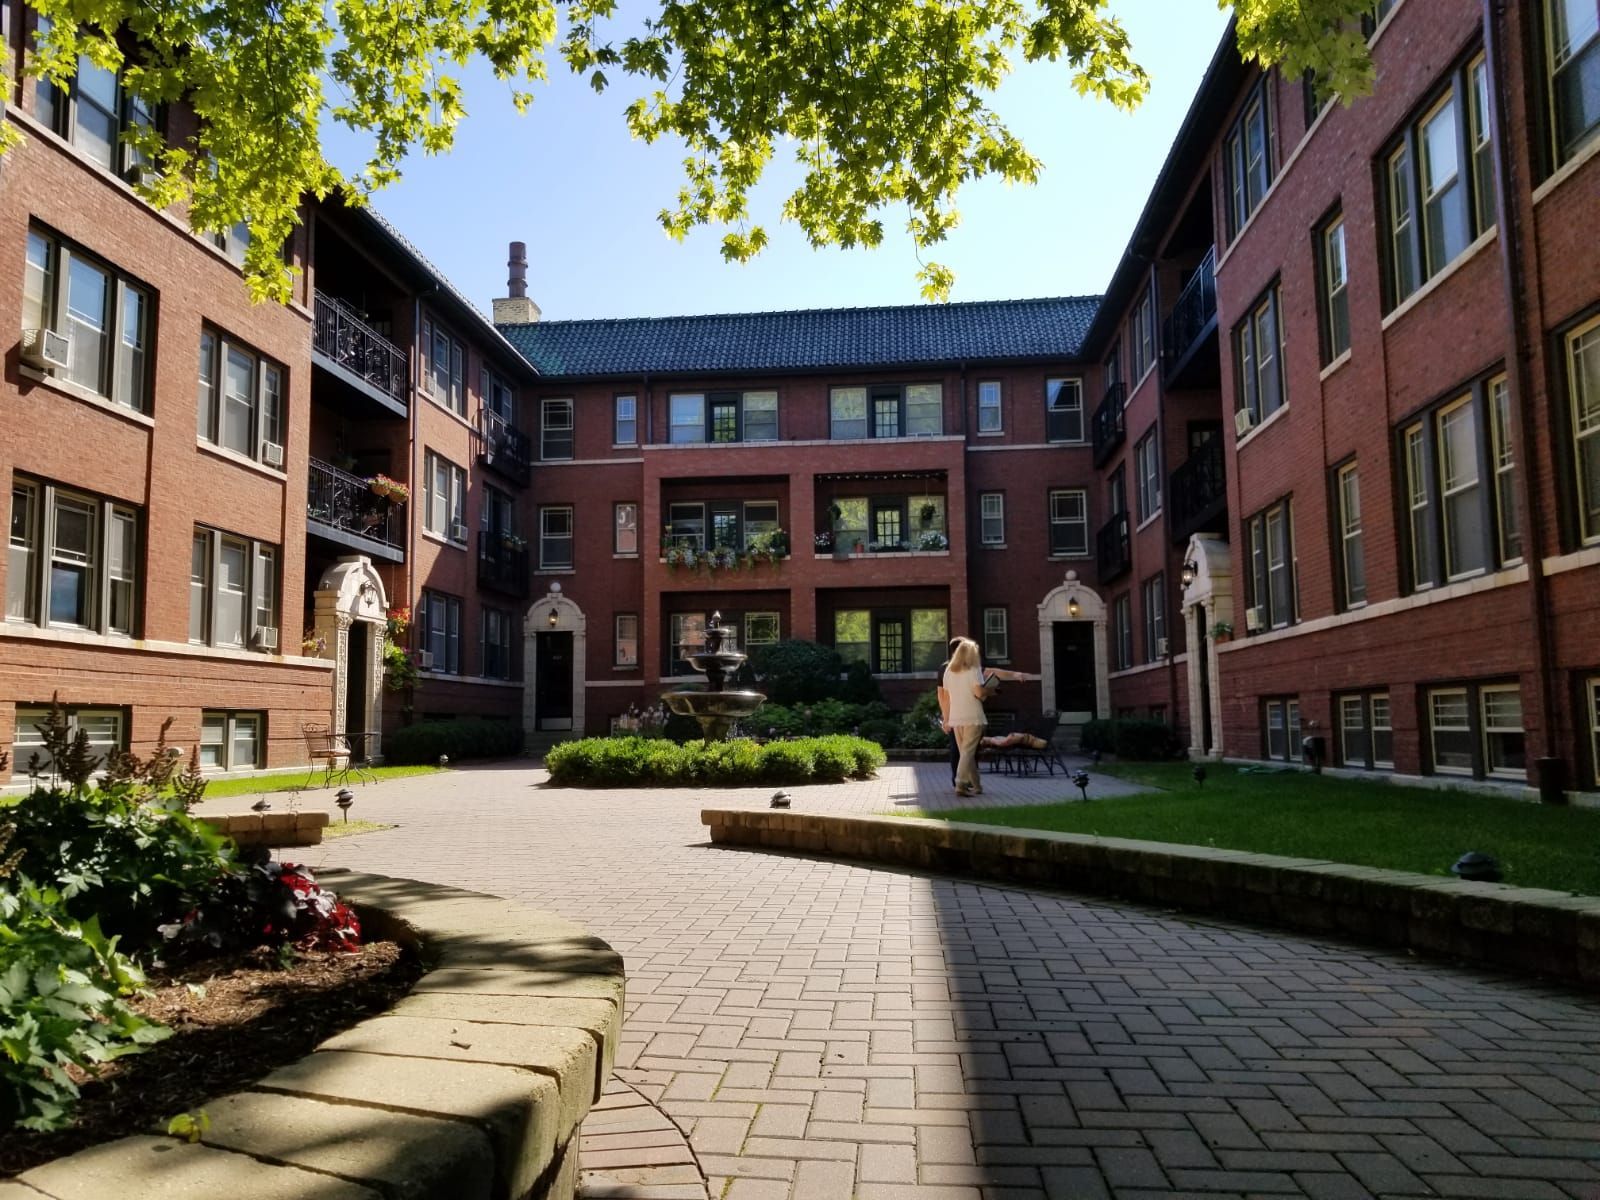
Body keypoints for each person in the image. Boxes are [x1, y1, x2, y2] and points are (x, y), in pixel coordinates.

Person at [938, 637, 1037, 797]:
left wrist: (947, 718)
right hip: (973, 716)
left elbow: (947, 697)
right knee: (967, 753)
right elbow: (979, 693)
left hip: (956, 718)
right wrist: (991, 690)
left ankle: (976, 786)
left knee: (965, 753)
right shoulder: (974, 669)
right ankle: (960, 784)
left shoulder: (948, 671)